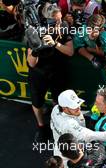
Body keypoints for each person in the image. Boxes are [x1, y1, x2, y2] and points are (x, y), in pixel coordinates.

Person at [27, 3, 74, 142]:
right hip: (39, 72)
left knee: (58, 101)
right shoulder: (36, 31)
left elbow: (70, 52)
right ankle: (41, 127)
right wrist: (36, 48)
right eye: (55, 21)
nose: (59, 23)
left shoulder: (64, 26)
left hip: (58, 71)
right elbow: (31, 63)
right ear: (46, 21)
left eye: (60, 19)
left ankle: (58, 124)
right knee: (37, 102)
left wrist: (55, 44)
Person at [50, 89, 106, 166]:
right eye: (74, 106)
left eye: (77, 103)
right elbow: (91, 135)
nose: (79, 107)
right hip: (68, 157)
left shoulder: (56, 109)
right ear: (64, 109)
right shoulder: (68, 124)